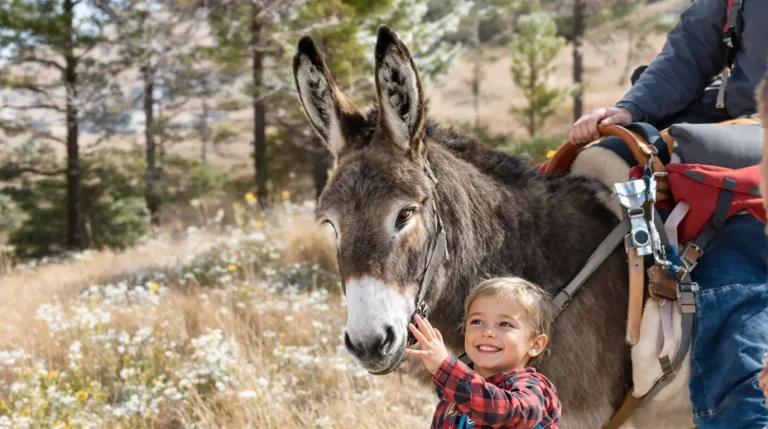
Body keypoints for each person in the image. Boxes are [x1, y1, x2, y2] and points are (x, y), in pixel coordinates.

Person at [565, 1, 768, 427]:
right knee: (609, 155)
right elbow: (693, 47)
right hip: (738, 119)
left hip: (748, 139)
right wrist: (631, 109)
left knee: (730, 264)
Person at [569, 0, 768, 144]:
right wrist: (631, 108)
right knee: (616, 155)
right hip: (740, 117)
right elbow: (689, 54)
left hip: (754, 132)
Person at [405, 277, 561, 429]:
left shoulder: (536, 388)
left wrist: (446, 368)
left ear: (535, 344)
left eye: (504, 324)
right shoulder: (453, 396)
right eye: (477, 321)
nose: (487, 332)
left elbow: (504, 414)